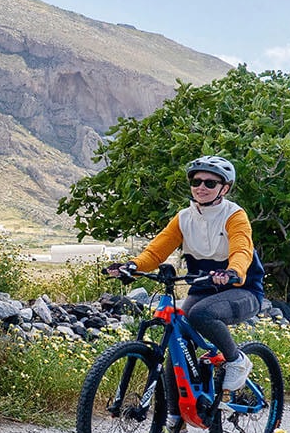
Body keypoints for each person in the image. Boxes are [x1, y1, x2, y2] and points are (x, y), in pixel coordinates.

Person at [105, 155, 267, 391]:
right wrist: (132, 266)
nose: (201, 187)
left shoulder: (234, 215)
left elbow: (242, 249)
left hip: (241, 290)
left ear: (225, 188)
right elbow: (155, 253)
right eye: (196, 181)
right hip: (203, 287)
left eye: (210, 183)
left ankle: (237, 360)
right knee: (177, 341)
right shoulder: (183, 218)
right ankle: (173, 418)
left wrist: (233, 271)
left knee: (200, 314)